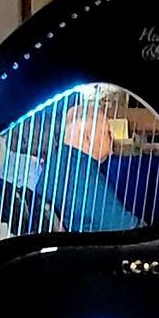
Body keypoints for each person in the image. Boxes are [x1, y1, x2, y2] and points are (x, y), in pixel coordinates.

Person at [53, 92, 133, 232]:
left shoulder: (55, 164)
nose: (112, 143)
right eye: (107, 133)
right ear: (87, 138)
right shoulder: (85, 178)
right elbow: (126, 227)